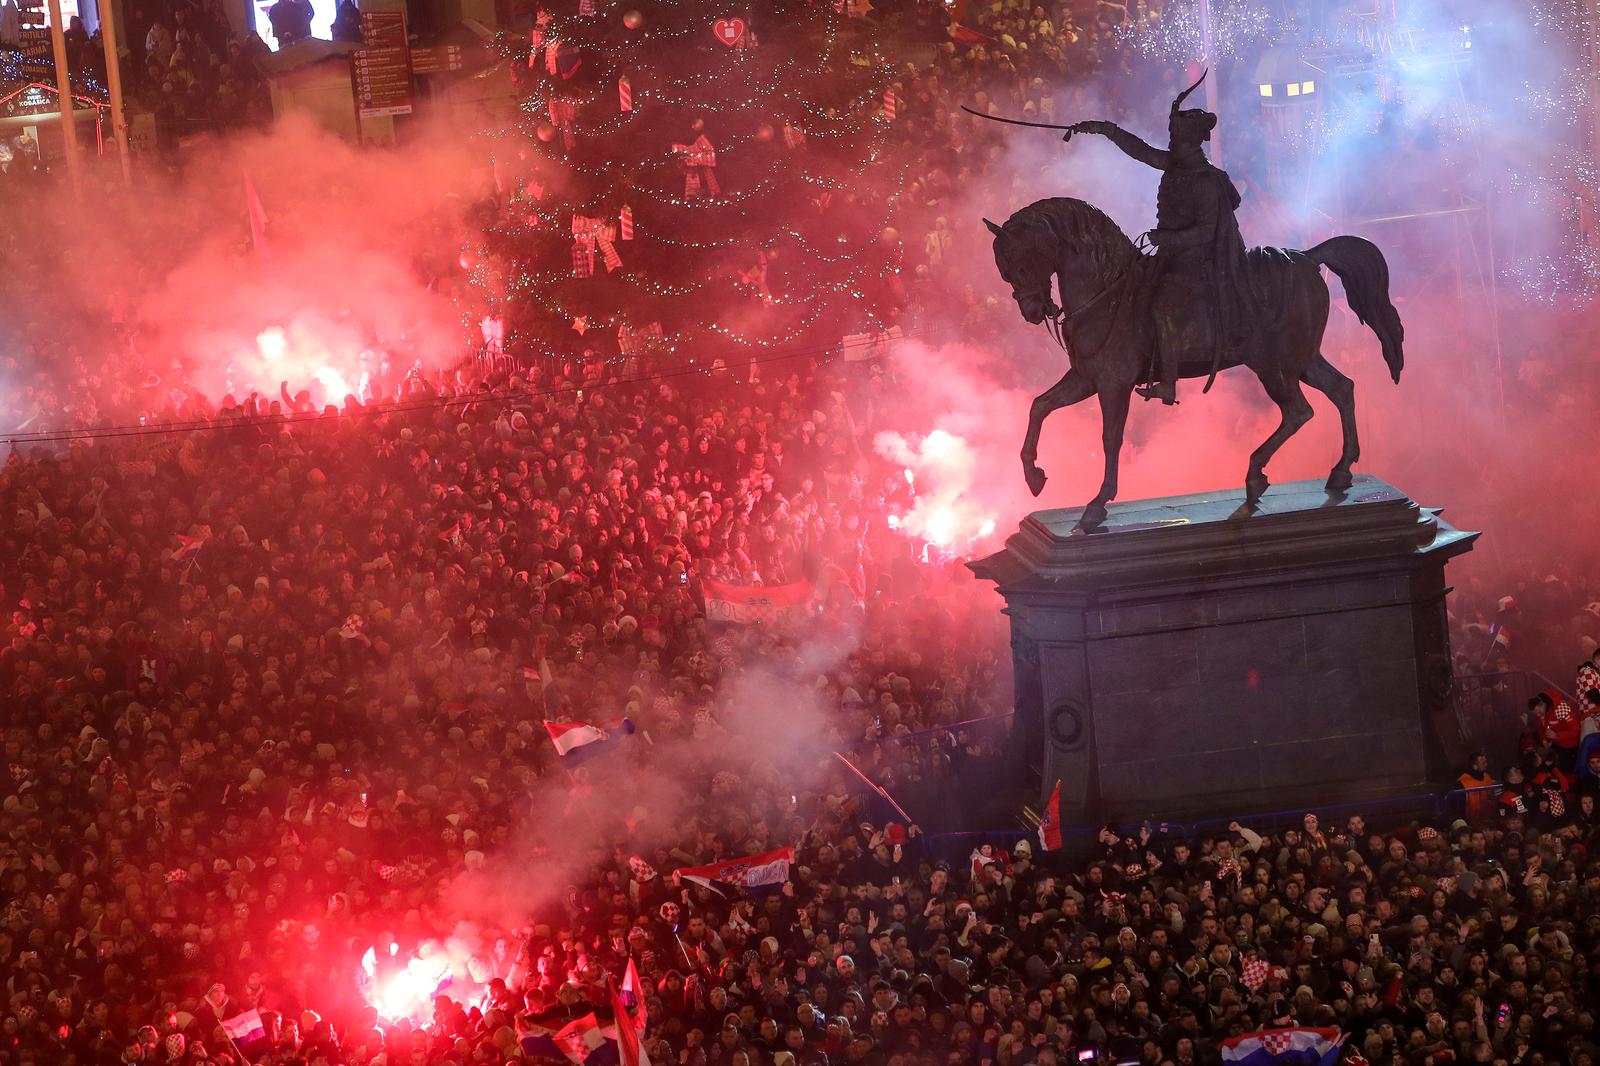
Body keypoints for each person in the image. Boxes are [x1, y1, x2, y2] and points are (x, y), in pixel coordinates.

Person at [1061, 71, 1252, 405]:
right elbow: (1141, 151)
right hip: (1172, 254)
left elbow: (1205, 232)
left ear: (1191, 143)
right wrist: (1104, 129)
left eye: (1176, 140)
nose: (1171, 145)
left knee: (1163, 307)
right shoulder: (1176, 164)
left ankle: (1168, 382)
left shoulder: (1208, 181)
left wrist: (1166, 237)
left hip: (1200, 260)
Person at [1456, 752, 1496, 822]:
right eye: (1483, 763)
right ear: (1475, 766)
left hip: (1488, 820)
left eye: (1486, 762)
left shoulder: (1487, 777)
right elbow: (1459, 808)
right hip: (1471, 822)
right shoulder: (1462, 783)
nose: (1486, 765)